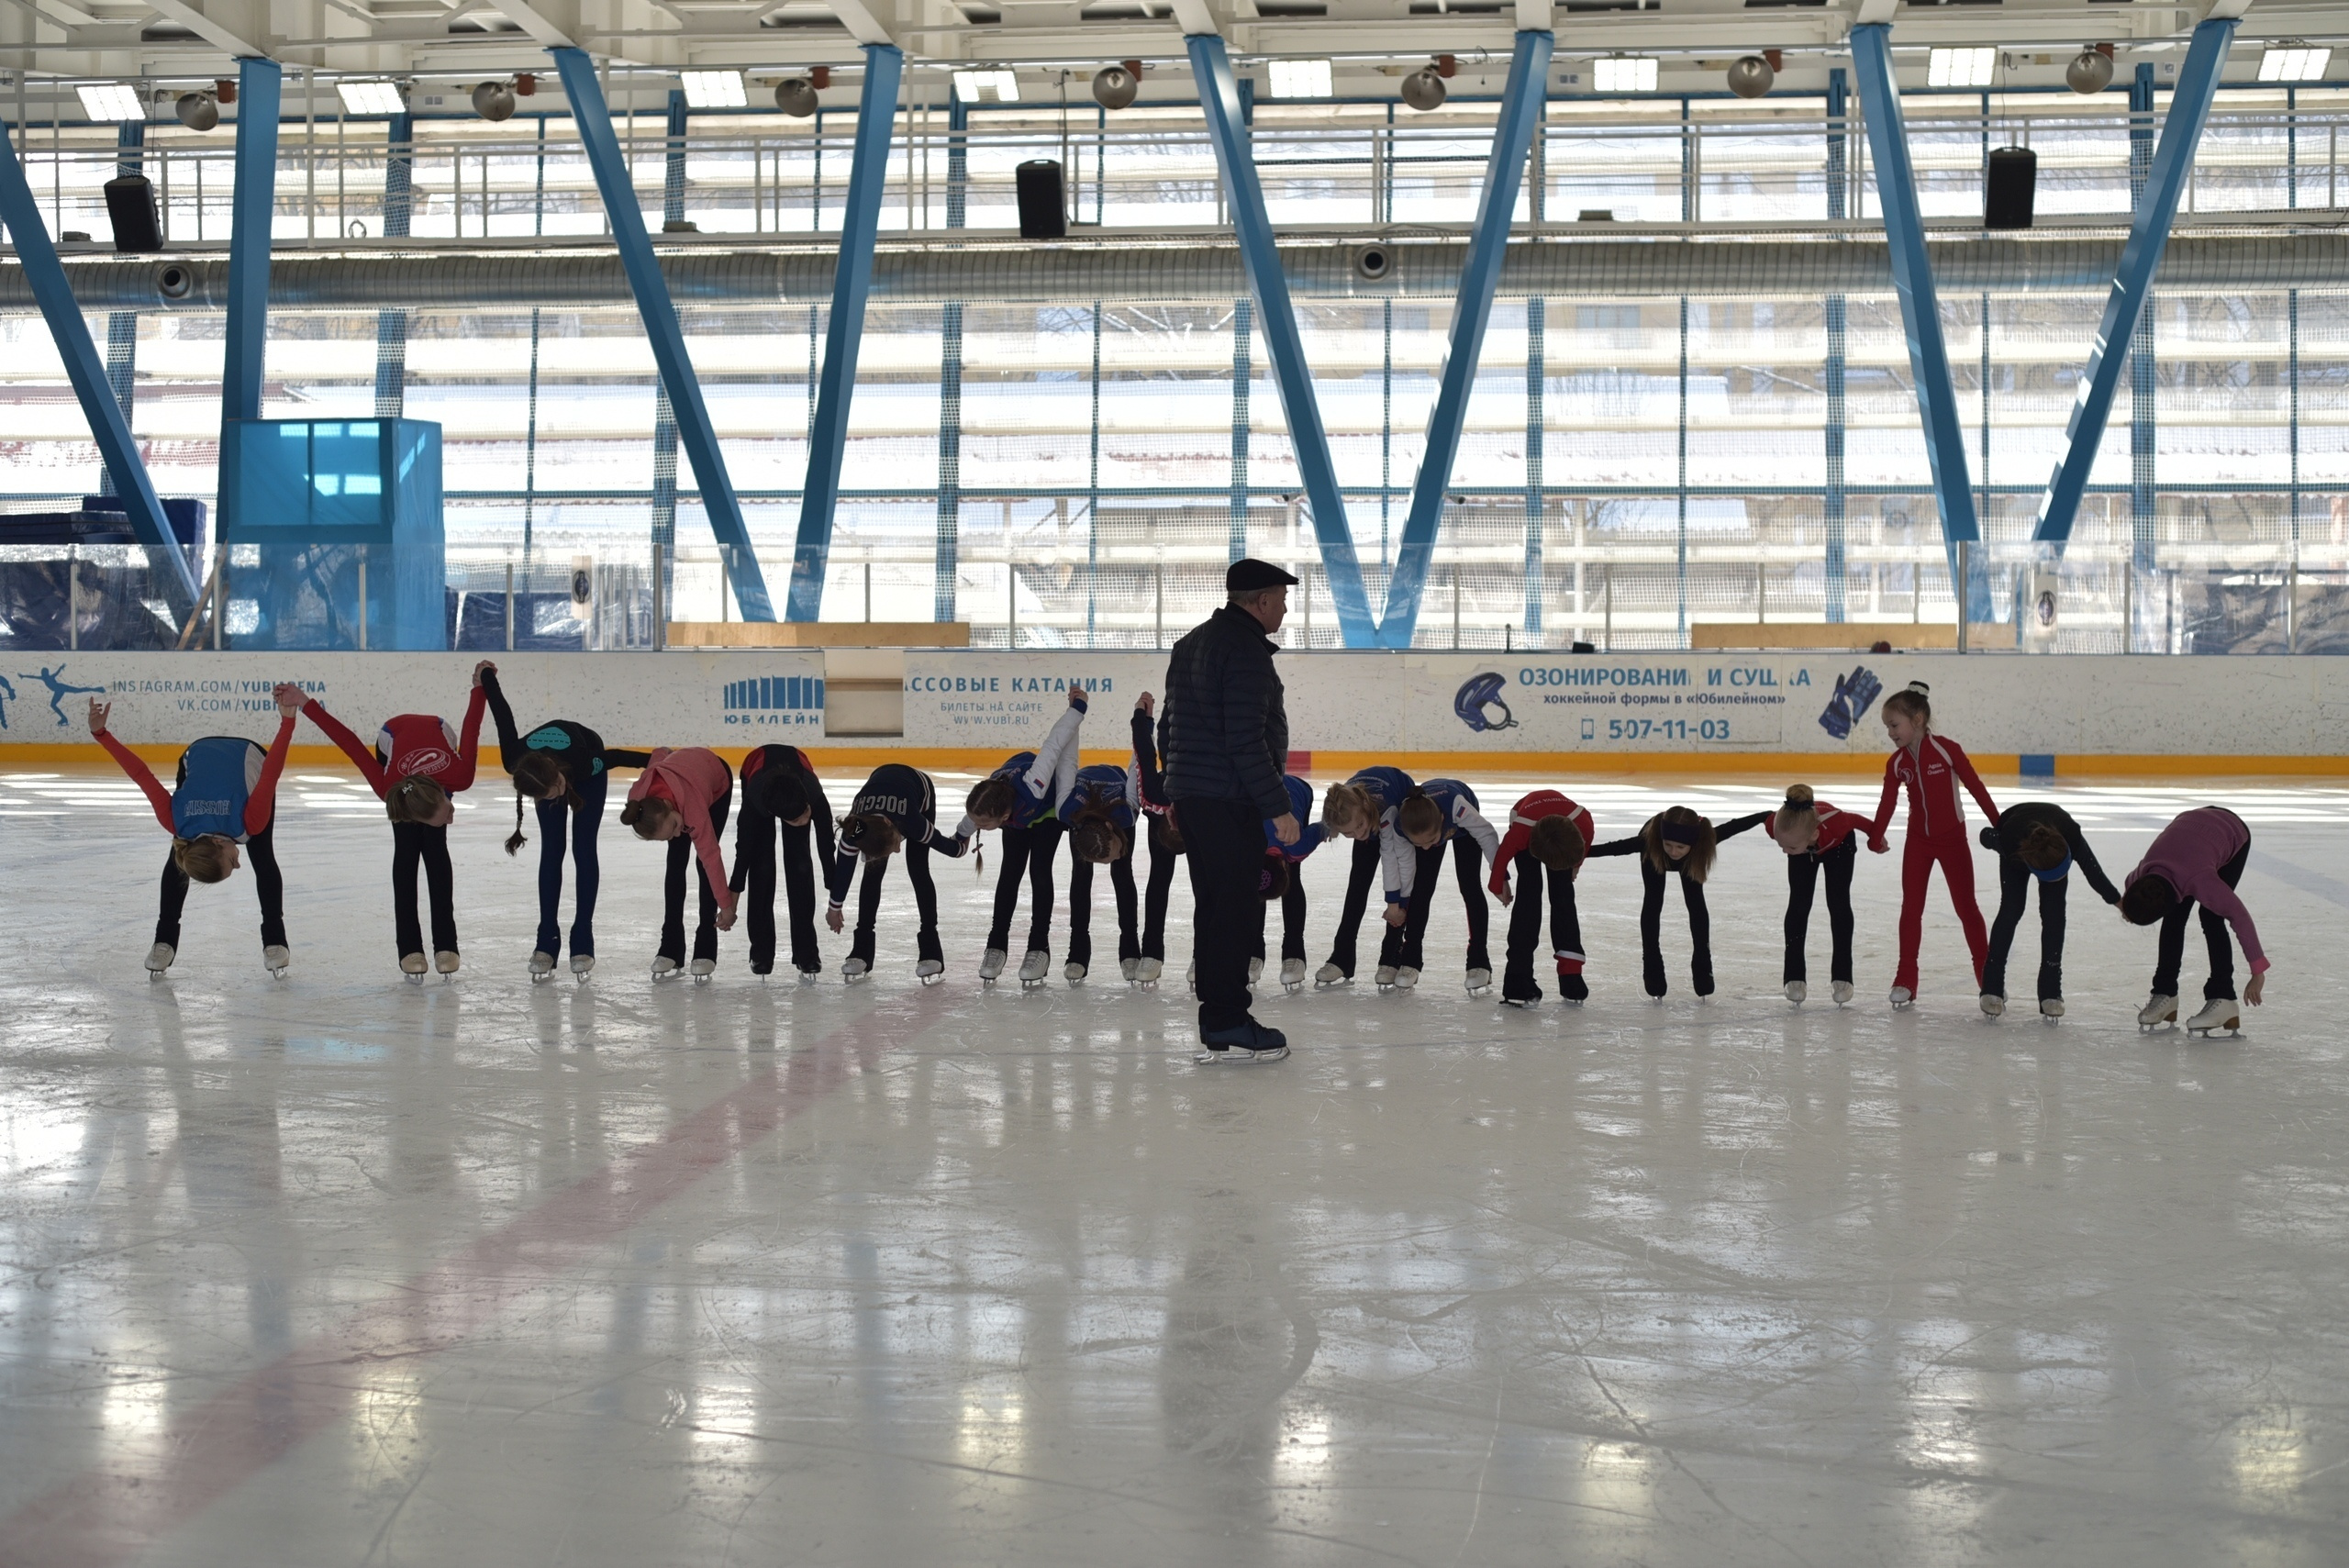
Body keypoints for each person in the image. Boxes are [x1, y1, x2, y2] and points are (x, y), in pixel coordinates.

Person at [1161, 557, 1300, 1063]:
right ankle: (1228, 1020)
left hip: (1197, 799)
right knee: (1235, 912)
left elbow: (1168, 727)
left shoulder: (1190, 644)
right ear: (1261, 601)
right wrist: (1278, 807)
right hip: (1228, 799)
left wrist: (1175, 790)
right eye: (1281, 599)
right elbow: (1245, 740)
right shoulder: (1244, 651)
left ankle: (1218, 1018)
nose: (1285, 609)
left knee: (1215, 908)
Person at [89, 682, 306, 979]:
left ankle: (274, 941)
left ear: (218, 842)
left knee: (261, 855)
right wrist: (100, 734)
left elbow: (270, 772)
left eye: (231, 862)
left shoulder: (229, 821)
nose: (238, 863)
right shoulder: (179, 823)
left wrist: (287, 721)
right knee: (184, 857)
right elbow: (140, 774)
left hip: (245, 753)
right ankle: (165, 942)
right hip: (199, 755)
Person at [299, 666, 489, 980]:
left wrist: (479, 687)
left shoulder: (460, 775)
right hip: (392, 737)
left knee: (435, 848)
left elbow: (472, 727)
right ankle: (409, 948)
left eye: (447, 810)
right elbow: (349, 742)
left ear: (444, 794)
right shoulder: (389, 786)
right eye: (447, 815)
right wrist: (304, 702)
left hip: (437, 730)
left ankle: (446, 945)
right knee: (407, 851)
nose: (452, 817)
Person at [477, 662, 651, 983]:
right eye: (550, 794)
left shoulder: (582, 764)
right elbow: (502, 713)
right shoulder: (515, 760)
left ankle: (583, 936)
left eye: (558, 786)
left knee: (583, 848)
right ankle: (546, 940)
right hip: (545, 769)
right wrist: (486, 676)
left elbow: (615, 757)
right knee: (552, 849)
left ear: (558, 773)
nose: (559, 794)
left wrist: (659, 759)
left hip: (586, 760)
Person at [1866, 681, 1998, 1008]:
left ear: (1918, 720)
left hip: (1953, 841)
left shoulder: (1946, 749)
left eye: (1894, 725)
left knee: (1967, 908)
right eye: (1887, 727)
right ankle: (1905, 978)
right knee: (1911, 909)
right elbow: (1887, 802)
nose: (1890, 733)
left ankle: (1989, 977)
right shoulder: (1896, 763)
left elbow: (1976, 787)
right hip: (1918, 843)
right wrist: (1875, 835)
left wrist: (2001, 825)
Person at [957, 687, 1087, 987]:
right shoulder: (990, 800)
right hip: (1015, 813)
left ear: (1003, 817)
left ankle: (1038, 947)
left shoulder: (1034, 786)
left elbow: (1054, 745)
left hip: (1047, 811)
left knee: (1039, 871)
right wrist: (959, 836)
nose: (978, 826)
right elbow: (974, 817)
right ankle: (996, 945)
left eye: (983, 825)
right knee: (1010, 873)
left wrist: (1077, 707)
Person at [1589, 805, 1769, 999]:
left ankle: (1703, 961)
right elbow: (1614, 848)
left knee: (1695, 903)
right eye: (1669, 845)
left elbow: (1735, 826)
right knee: (1653, 900)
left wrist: (1766, 816)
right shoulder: (1650, 842)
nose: (1673, 852)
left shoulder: (1704, 839)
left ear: (1693, 842)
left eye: (1680, 847)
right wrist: (1577, 852)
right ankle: (1651, 961)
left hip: (1690, 860)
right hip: (1655, 854)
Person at [2121, 806, 2268, 1036]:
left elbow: (2239, 916)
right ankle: (2165, 993)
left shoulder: (2202, 880)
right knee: (2174, 917)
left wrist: (2257, 972)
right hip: (2190, 826)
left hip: (2230, 830)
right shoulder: (2141, 875)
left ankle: (2224, 997)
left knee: (2211, 917)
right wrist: (2130, 910)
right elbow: (2132, 895)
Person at [823, 763, 972, 982]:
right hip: (882, 791)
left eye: (895, 843)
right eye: (894, 846)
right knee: (872, 875)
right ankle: (861, 950)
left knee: (918, 868)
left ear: (890, 823)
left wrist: (966, 832)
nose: (899, 849)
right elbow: (843, 872)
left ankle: (931, 950)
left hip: (918, 789)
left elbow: (952, 848)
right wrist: (833, 909)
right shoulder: (854, 833)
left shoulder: (912, 821)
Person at [1977, 802, 2121, 1018]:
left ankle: (2050, 990)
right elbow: (1984, 835)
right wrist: (1992, 838)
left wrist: (2119, 902)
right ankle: (1992, 987)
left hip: (2053, 830)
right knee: (2011, 909)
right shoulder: (2009, 843)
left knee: (2054, 915)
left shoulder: (2071, 835)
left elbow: (2095, 873)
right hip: (2016, 835)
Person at [620, 747, 738, 982]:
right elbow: (656, 761)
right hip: (682, 784)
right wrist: (664, 752)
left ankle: (706, 946)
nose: (678, 834)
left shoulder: (693, 808)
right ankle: (671, 947)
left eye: (675, 826)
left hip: (715, 781)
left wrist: (726, 907)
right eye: (668, 835)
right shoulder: (639, 804)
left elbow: (711, 858)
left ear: (667, 804)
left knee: (702, 864)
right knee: (675, 861)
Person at [729, 742, 836, 983]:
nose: (805, 821)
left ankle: (807, 952)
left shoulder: (814, 796)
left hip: (797, 776)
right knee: (761, 865)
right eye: (796, 820)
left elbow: (826, 845)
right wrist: (731, 904)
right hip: (754, 769)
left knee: (800, 865)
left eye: (805, 813)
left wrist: (835, 897)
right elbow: (743, 854)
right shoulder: (754, 804)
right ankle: (761, 952)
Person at [1389, 780, 1501, 992]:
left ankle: (1479, 961)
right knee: (1421, 888)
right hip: (1427, 822)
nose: (1426, 847)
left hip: (1463, 822)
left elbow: (1486, 834)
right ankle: (1410, 959)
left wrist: (1499, 878)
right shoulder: (1402, 827)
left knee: (1469, 886)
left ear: (1442, 819)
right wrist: (1398, 903)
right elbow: (1404, 871)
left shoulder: (1458, 808)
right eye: (1418, 844)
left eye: (1431, 840)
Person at [1490, 788, 1594, 1008]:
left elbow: (1582, 849)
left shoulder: (1584, 824)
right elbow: (1500, 861)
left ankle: (1571, 974)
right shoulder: (1520, 832)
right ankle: (1518, 979)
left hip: (1564, 831)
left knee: (1563, 896)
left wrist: (1575, 865)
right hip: (1526, 820)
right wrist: (1500, 884)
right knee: (1528, 896)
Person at [1313, 765, 1416, 987]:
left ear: (1366, 807)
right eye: (1348, 833)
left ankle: (1391, 958)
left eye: (1359, 826)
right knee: (1357, 887)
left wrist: (1394, 905)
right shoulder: (1345, 812)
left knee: (1400, 892)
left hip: (1393, 815)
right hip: (1367, 816)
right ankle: (1341, 958)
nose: (1358, 835)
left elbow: (1392, 861)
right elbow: (1350, 826)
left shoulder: (1387, 811)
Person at [1766, 784, 1864, 1006]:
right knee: (1798, 905)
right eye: (1782, 847)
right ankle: (1794, 977)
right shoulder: (1780, 825)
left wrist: (1876, 839)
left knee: (1839, 904)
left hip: (1839, 846)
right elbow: (1759, 818)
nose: (1784, 852)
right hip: (1801, 846)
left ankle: (1843, 976)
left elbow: (1859, 821)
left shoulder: (1837, 822)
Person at [1060, 760, 1141, 984]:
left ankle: (1130, 948)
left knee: (1123, 872)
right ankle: (1077, 952)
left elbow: (1136, 766)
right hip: (1084, 800)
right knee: (1081, 874)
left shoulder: (1126, 814)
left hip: (1116, 791)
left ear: (1110, 828)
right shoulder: (1071, 814)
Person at [1251, 773, 1327, 993]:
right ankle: (1253, 950)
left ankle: (1294, 953)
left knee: (1293, 878)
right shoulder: (1244, 845)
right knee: (1256, 887)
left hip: (1297, 789)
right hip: (1260, 792)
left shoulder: (1298, 844)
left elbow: (1323, 827)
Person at [1130, 692, 1180, 986]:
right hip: (1174, 741)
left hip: (1199, 766)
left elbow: (1143, 749)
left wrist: (1142, 716)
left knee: (1207, 884)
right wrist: (1143, 718)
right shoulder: (1152, 798)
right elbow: (1144, 751)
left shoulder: (1204, 808)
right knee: (1159, 880)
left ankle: (1205, 952)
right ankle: (1152, 951)